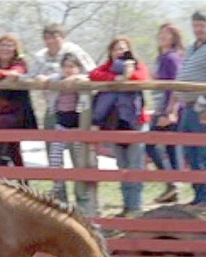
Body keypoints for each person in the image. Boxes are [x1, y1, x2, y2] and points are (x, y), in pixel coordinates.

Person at [167, 11, 206, 210]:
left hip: (203, 106)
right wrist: (174, 104)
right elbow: (183, 75)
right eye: (195, 26)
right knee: (190, 152)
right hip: (187, 106)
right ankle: (198, 194)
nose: (198, 30)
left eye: (202, 25)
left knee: (205, 152)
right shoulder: (192, 48)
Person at [89, 37, 150, 218]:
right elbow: (93, 75)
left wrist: (128, 72)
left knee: (135, 165)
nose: (119, 52)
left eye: (123, 49)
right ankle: (127, 206)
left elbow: (141, 78)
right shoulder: (107, 67)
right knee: (122, 165)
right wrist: (115, 77)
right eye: (116, 49)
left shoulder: (138, 65)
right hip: (114, 123)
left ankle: (135, 207)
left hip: (135, 122)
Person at [0, 34, 37, 167]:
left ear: (15, 49)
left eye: (9, 45)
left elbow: (14, 74)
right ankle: (20, 180)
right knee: (12, 148)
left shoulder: (20, 63)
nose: (5, 48)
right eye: (2, 45)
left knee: (2, 126)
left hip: (18, 114)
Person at [145, 23, 184, 204]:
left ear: (174, 38)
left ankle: (172, 182)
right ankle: (173, 187)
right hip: (161, 106)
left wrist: (171, 110)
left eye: (167, 34)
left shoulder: (171, 58)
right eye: (160, 33)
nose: (162, 36)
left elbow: (176, 85)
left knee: (151, 143)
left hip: (168, 108)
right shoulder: (161, 57)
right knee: (170, 146)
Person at [46, 53, 91, 204]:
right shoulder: (57, 81)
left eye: (71, 67)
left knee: (80, 159)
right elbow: (47, 80)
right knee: (55, 157)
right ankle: (58, 187)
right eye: (65, 67)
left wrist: (75, 79)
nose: (68, 70)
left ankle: (82, 193)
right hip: (61, 124)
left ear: (78, 68)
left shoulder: (82, 81)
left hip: (78, 125)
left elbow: (89, 78)